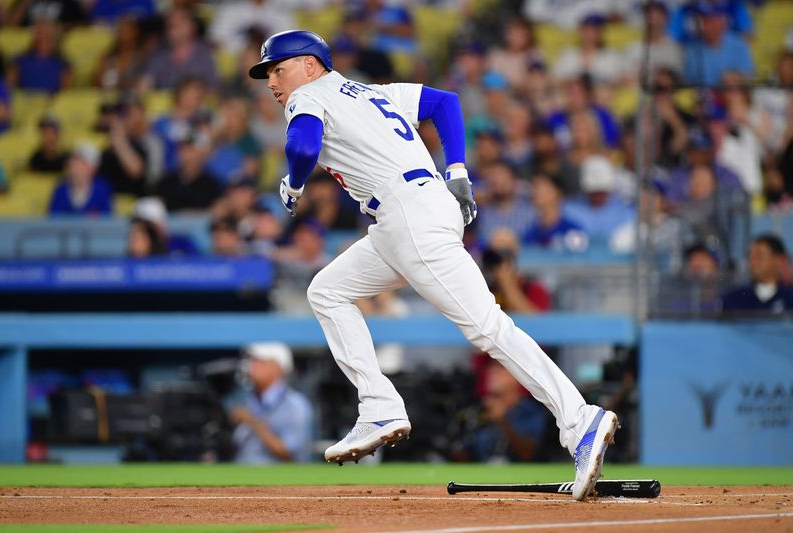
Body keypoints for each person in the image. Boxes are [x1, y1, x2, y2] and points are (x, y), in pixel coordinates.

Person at [248, 30, 618, 500]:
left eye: (278, 70)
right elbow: (445, 102)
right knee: (328, 290)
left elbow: (302, 148)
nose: (272, 83)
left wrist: (294, 185)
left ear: (308, 64)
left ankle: (580, 421)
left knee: (488, 328)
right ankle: (379, 405)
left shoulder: (308, 96)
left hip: (407, 216)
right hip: (410, 212)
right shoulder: (372, 92)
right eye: (268, 74)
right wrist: (458, 170)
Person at [231, 342, 314, 464]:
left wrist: (252, 421)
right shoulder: (240, 398)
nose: (252, 365)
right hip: (238, 477)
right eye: (251, 360)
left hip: (278, 480)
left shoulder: (296, 405)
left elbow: (291, 452)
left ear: (278, 367)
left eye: (260, 361)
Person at [721, 234, 793, 314]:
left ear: (778, 260)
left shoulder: (789, 298)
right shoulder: (734, 299)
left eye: (759, 256)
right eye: (750, 257)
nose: (753, 262)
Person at [48, 142, 112, 216]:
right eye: (74, 161)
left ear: (93, 168)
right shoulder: (61, 189)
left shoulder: (102, 189)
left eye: (82, 162)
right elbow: (53, 220)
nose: (75, 166)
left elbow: (107, 220)